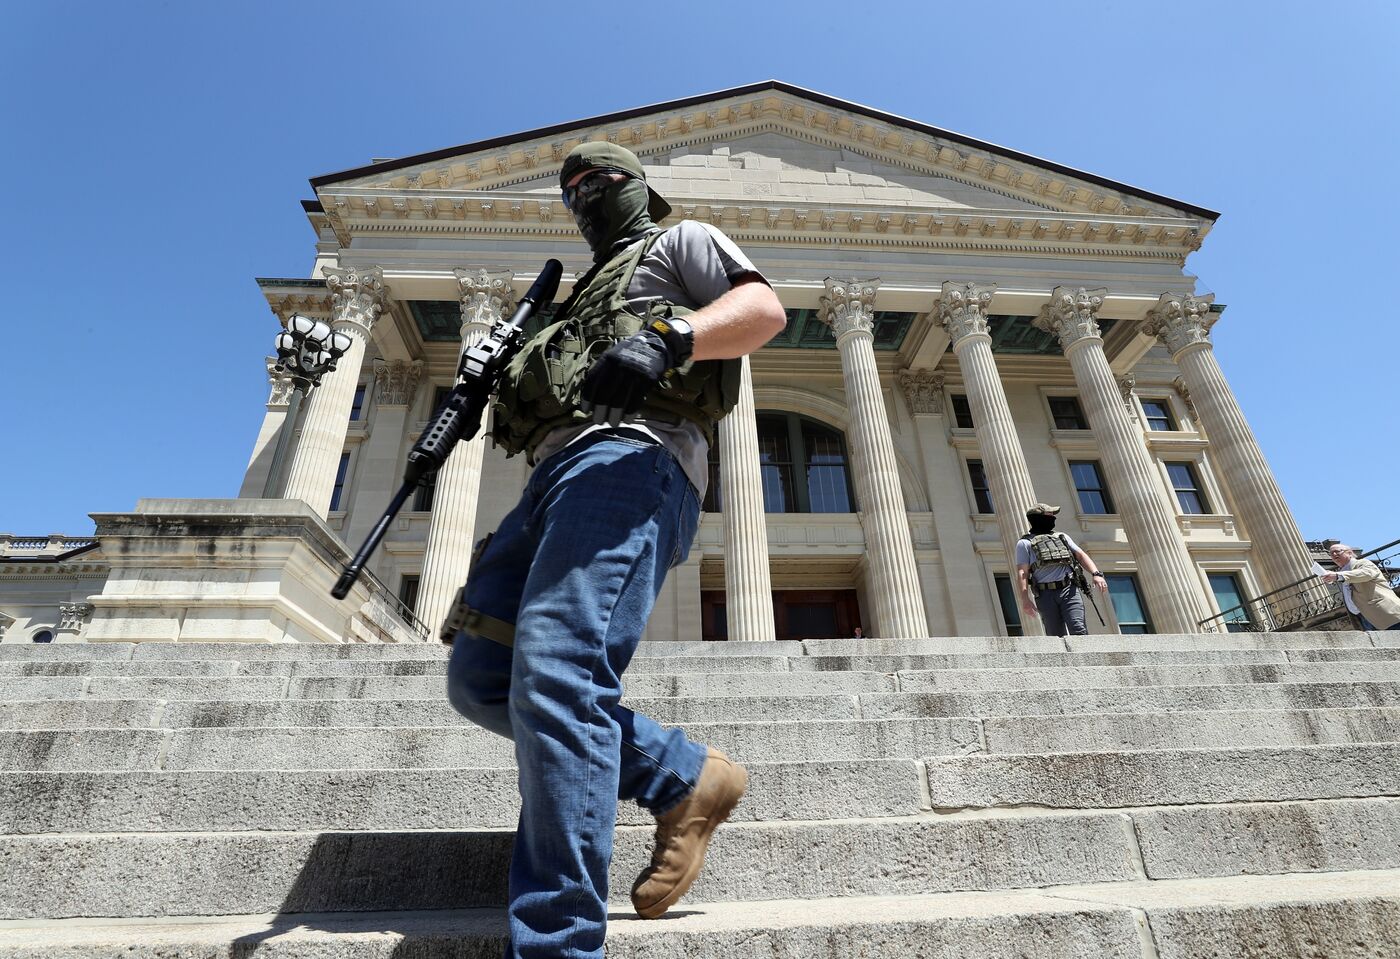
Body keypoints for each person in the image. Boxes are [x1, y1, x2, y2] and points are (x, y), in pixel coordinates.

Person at [444, 142, 787, 959]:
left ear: (638, 187)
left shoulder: (680, 242)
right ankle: (681, 776)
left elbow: (763, 312)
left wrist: (670, 338)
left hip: (634, 457)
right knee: (481, 675)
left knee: (560, 666)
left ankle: (558, 943)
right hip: (549, 479)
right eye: (570, 190)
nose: (583, 196)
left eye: (598, 182)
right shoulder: (564, 304)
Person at [1015, 503, 1108, 636]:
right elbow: (1022, 572)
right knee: (1055, 634)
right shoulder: (1024, 543)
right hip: (1044, 594)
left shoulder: (1062, 537)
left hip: (1069, 590)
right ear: (1038, 518)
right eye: (1050, 515)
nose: (1053, 518)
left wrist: (1096, 574)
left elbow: (1081, 555)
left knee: (1079, 629)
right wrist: (1025, 599)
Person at [1322, 543, 1400, 630]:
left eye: (1337, 551)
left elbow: (1368, 573)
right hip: (1364, 618)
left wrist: (1338, 576)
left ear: (1350, 553)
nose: (1334, 555)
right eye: (1331, 553)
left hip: (1385, 613)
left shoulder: (1362, 563)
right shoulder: (1341, 572)